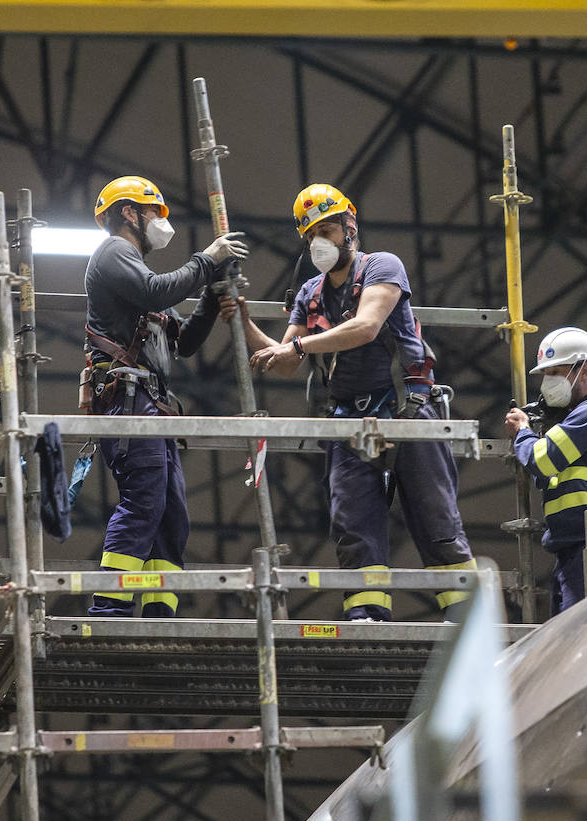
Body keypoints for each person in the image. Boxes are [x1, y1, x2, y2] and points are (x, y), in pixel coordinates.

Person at [245, 183, 474, 621]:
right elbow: (285, 361)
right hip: (348, 419)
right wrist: (241, 320)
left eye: (327, 230)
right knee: (354, 526)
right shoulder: (310, 292)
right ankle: (367, 616)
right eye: (312, 235)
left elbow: (366, 326)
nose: (320, 242)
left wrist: (298, 346)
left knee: (436, 520)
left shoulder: (382, 266)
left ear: (349, 227)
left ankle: (465, 617)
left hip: (406, 412)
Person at [83, 175, 247, 617]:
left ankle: (160, 616)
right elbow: (157, 290)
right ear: (129, 212)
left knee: (171, 514)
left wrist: (211, 297)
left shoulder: (139, 278)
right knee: (144, 501)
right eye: (153, 211)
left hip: (152, 406)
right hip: (129, 401)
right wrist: (207, 260)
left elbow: (185, 342)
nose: (160, 220)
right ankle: (110, 611)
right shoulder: (114, 253)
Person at [504, 326, 587, 615]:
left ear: (584, 371)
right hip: (574, 551)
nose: (548, 382)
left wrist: (523, 432)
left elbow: (543, 460)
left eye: (555, 372)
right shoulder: (576, 417)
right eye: (546, 374)